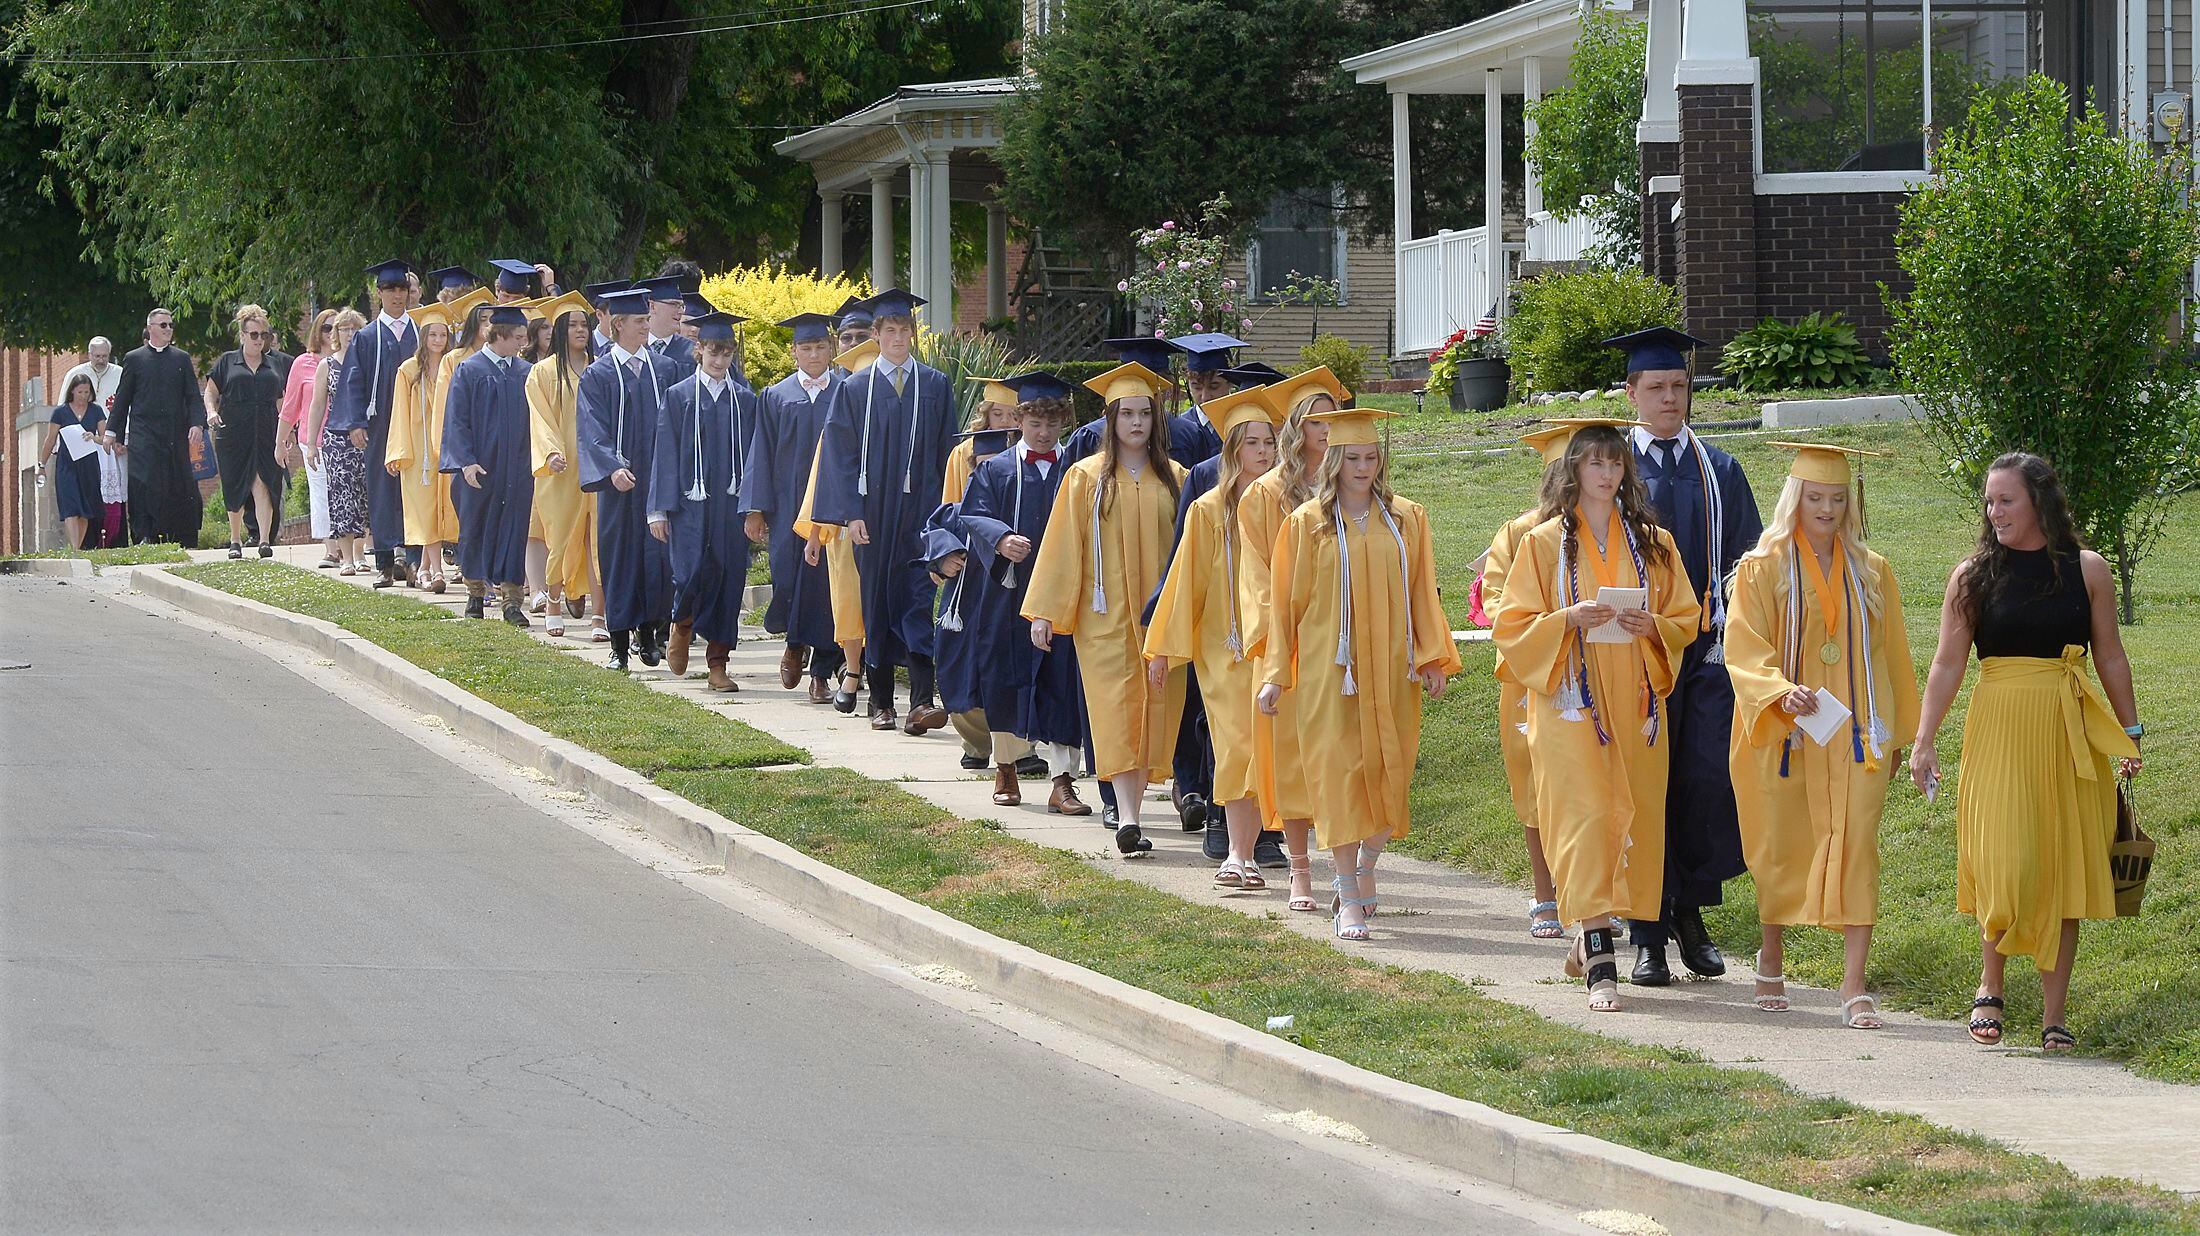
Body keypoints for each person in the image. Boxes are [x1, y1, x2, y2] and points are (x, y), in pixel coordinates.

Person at [1910, 452, 2142, 1053]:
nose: (1994, 511)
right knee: (2004, 862)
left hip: (2070, 733)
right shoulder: (1972, 575)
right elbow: (1947, 661)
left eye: (2005, 500)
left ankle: (2053, 1014)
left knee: (2063, 867)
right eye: (1990, 501)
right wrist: (1925, 739)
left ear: (2039, 502)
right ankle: (1991, 986)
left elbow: (2110, 654)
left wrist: (2130, 731)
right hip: (2000, 730)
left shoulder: (2087, 570)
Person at [1492, 422, 1700, 1010]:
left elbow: (1684, 617)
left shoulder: (1654, 544)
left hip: (1634, 698)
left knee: (1627, 815)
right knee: (1583, 816)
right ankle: (1601, 961)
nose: (1607, 475)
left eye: (1616, 465)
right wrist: (1566, 619)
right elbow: (1512, 626)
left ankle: (1592, 932)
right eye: (1595, 464)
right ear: (1573, 471)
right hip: (1570, 699)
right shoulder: (1543, 544)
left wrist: (1651, 626)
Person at [1724, 442, 1920, 1029]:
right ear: (1795, 498)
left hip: (1857, 733)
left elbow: (1893, 657)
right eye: (1816, 497)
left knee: (1858, 843)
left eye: (1837, 498)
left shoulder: (1872, 570)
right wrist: (1780, 691)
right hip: (1786, 728)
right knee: (1782, 844)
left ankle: (1853, 984)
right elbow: (1743, 644)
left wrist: (1898, 734)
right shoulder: (1762, 568)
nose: (1827, 509)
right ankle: (1772, 954)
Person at [1255, 401, 1458, 940]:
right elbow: (1284, 604)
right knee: (1340, 778)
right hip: (1330, 671)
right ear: (1335, 461)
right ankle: (1346, 890)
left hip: (1391, 668)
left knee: (1390, 774)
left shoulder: (1407, 519)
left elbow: (1423, 593)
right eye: (1353, 458)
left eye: (1372, 457)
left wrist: (1432, 655)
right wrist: (1276, 673)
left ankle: (1368, 862)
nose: (1363, 468)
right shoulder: (1308, 523)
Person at [1613, 326, 1763, 987]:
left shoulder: (1720, 469)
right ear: (1632, 394)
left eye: (1679, 386)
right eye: (1657, 388)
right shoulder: (1610, 470)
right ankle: (1647, 929)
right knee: (1644, 791)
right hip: (1633, 656)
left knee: (1706, 783)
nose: (1671, 399)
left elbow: (1748, 563)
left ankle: (1691, 911)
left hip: (1703, 655)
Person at [1025, 361, 1188, 857]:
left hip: (1160, 620)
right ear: (1110, 420)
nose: (1136, 423)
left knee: (1156, 712)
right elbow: (1061, 546)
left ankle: (1133, 811)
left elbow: (1190, 553)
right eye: (1127, 414)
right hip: (1105, 619)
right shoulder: (1084, 477)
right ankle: (1129, 817)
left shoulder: (1176, 478)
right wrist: (1046, 612)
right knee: (1115, 713)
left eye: (1145, 414)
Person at [1146, 383, 1284, 889]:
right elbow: (1186, 582)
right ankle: (1236, 853)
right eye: (1252, 443)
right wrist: (1163, 646)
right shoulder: (1209, 508)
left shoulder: (1290, 505)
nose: (1263, 452)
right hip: (1223, 648)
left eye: (1269, 442)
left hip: (1275, 647)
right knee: (1235, 746)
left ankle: (1254, 854)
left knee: (1267, 748)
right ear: (1231, 449)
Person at [1482, 419, 1607, 940]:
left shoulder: (1608, 533)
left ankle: (1597, 898)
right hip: (1533, 679)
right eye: (1558, 472)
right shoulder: (1519, 533)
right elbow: (1495, 604)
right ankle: (1544, 893)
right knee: (1537, 794)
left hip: (1600, 675)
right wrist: (1557, 622)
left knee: (1596, 792)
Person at [810, 289, 956, 733]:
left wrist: (944, 520)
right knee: (876, 602)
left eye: (904, 330)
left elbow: (945, 453)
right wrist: (851, 514)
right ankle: (880, 702)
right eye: (889, 330)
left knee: (916, 599)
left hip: (920, 512)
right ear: (875, 335)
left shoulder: (934, 385)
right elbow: (840, 456)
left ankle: (921, 700)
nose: (897, 337)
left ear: (913, 334)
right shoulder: (855, 388)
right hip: (871, 515)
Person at [955, 378, 1091, 814]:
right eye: (1035, 423)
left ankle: (1062, 780)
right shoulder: (996, 470)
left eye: (1052, 423)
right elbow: (972, 513)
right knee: (1005, 676)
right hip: (1008, 590)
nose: (1044, 433)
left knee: (1062, 680)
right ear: (1018, 421)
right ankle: (1007, 766)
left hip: (1063, 590)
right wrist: (1000, 539)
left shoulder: (1078, 470)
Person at [1237, 368, 1338, 911]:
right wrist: (1284, 635)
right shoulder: (1265, 494)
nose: (1325, 429)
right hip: (1287, 646)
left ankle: (1351, 873)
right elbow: (1255, 575)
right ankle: (1300, 871)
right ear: (1296, 427)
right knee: (1292, 762)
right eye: (1314, 419)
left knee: (1344, 760)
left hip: (1339, 646)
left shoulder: (1351, 487)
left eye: (1331, 418)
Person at [650, 310, 762, 692]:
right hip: (689, 505)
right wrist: (657, 509)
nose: (719, 360)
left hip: (729, 506)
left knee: (728, 579)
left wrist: (755, 508)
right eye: (713, 352)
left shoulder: (744, 401)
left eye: (727, 353)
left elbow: (754, 458)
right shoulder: (679, 396)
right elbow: (664, 453)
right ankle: (681, 623)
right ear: (698, 350)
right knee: (690, 572)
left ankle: (718, 663)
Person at [578, 286, 677, 670]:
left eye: (646, 320)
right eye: (639, 321)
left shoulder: (664, 370)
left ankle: (649, 634)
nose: (645, 327)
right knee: (621, 558)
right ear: (618, 325)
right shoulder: (599, 374)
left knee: (656, 558)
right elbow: (591, 428)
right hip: (619, 486)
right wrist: (611, 467)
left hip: (656, 482)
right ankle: (619, 645)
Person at [754, 312, 845, 701]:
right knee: (788, 579)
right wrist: (755, 509)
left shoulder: (845, 391)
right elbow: (761, 453)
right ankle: (794, 643)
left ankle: (820, 673)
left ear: (831, 349)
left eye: (820, 347)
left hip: (831, 504)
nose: (813, 354)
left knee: (827, 587)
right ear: (793, 352)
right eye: (805, 348)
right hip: (788, 505)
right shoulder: (775, 396)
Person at [936, 378, 1026, 773]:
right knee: (962, 659)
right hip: (968, 588)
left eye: (1011, 414)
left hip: (1007, 584)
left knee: (1010, 661)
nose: (1004, 421)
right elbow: (942, 523)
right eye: (997, 413)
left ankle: (1020, 748)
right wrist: (942, 558)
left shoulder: (1023, 476)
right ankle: (976, 742)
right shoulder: (963, 466)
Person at [794, 337, 878, 712]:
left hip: (885, 525)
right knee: (847, 600)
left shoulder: (895, 425)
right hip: (843, 530)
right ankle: (853, 670)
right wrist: (814, 533)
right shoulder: (836, 430)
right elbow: (820, 481)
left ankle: (878, 672)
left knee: (880, 601)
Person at [440, 305, 536, 624]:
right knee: (475, 528)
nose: (524, 343)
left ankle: (512, 601)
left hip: (517, 468)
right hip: (480, 468)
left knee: (514, 529)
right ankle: (475, 594)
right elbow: (456, 421)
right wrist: (466, 462)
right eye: (519, 337)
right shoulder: (469, 370)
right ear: (500, 335)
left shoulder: (525, 372)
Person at [330, 259, 421, 589]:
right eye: (391, 290)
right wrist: (355, 422)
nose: (398, 296)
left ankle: (414, 561)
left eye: (403, 290)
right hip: (380, 422)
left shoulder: (421, 331)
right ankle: (384, 561)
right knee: (382, 491)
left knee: (415, 489)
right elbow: (354, 381)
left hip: (417, 423)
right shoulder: (367, 337)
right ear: (379, 293)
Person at [526, 292, 603, 639]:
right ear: (558, 329)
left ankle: (599, 615)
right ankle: (553, 601)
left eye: (583, 324)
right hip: (560, 467)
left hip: (597, 465)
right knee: (560, 535)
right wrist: (550, 453)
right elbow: (540, 420)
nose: (580, 330)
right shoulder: (541, 373)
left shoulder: (600, 368)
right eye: (571, 325)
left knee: (597, 538)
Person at [105, 307, 206, 546]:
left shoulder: (181, 358)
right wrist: (112, 432)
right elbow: (123, 398)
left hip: (174, 433)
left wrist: (197, 424)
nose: (168, 329)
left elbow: (193, 396)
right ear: (150, 328)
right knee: (144, 482)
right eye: (163, 325)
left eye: (171, 325)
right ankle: (144, 534)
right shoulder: (134, 359)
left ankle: (178, 536)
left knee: (176, 482)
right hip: (144, 434)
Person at [204, 304, 294, 559]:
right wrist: (211, 412)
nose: (258, 340)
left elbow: (282, 401)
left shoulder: (274, 364)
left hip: (267, 430)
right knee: (235, 485)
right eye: (253, 335)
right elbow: (211, 392)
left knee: (263, 482)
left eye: (263, 335)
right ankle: (235, 540)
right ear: (243, 335)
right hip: (233, 431)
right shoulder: (227, 361)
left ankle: (265, 540)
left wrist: (287, 432)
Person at [385, 302, 461, 594]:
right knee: (426, 507)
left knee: (443, 508)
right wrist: (398, 451)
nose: (439, 341)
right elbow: (399, 412)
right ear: (424, 337)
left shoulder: (452, 366)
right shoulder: (409, 370)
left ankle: (428, 568)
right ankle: (436, 569)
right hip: (419, 452)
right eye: (433, 335)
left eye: (443, 335)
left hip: (446, 446)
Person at [307, 310, 371, 573]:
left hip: (365, 438)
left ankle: (360, 553)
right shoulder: (327, 365)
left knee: (364, 495)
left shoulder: (367, 362)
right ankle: (345, 558)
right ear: (336, 334)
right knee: (341, 495)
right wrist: (311, 444)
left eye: (354, 329)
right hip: (336, 439)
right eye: (343, 329)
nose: (349, 334)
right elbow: (317, 404)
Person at [278, 310, 339, 565]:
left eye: (337, 328)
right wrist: (280, 443)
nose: (332, 333)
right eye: (327, 328)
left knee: (347, 492)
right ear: (317, 331)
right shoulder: (303, 363)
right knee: (322, 492)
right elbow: (290, 406)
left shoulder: (349, 359)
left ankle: (354, 548)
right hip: (312, 439)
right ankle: (331, 549)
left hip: (346, 438)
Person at [60, 338, 125, 547]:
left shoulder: (119, 373)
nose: (101, 360)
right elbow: (62, 409)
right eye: (97, 356)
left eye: (105, 356)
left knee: (116, 491)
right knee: (84, 491)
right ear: (89, 355)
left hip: (111, 444)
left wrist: (123, 439)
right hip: (82, 446)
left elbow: (128, 409)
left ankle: (115, 540)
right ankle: (85, 543)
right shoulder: (75, 374)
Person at [37, 372, 105, 549]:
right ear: (72, 391)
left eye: (86, 392)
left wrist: (93, 437)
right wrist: (41, 465)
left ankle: (78, 548)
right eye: (80, 392)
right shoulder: (61, 412)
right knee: (70, 507)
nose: (83, 396)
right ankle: (74, 548)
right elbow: (50, 439)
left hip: (89, 464)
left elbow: (105, 438)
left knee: (85, 511)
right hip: (67, 464)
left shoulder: (96, 410)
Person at [640, 276, 699, 380]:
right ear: (652, 306)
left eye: (682, 306)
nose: (681, 311)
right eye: (674, 304)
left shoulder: (693, 352)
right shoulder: (634, 346)